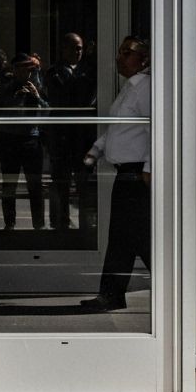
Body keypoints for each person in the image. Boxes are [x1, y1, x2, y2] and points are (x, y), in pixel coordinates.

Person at [79, 37, 151, 310]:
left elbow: (156, 129)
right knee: (123, 237)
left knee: (137, 238)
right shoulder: (130, 88)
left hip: (137, 175)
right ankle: (111, 294)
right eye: (120, 52)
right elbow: (119, 128)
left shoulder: (144, 89)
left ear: (143, 58)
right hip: (127, 174)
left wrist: (149, 168)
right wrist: (96, 151)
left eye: (127, 53)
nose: (120, 58)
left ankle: (178, 289)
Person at [44, 33, 97, 230]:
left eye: (80, 48)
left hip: (82, 137)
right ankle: (60, 222)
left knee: (84, 182)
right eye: (74, 48)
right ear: (63, 49)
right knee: (61, 182)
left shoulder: (89, 71)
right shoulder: (54, 72)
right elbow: (62, 95)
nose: (78, 52)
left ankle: (86, 222)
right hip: (62, 136)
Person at [0, 52, 49, 230]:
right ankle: (9, 223)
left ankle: (38, 225)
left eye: (30, 70)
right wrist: (13, 91)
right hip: (9, 140)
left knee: (35, 185)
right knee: (9, 184)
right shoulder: (5, 86)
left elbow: (48, 111)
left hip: (31, 140)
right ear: (15, 70)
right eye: (23, 70)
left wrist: (36, 96)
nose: (27, 74)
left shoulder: (36, 85)